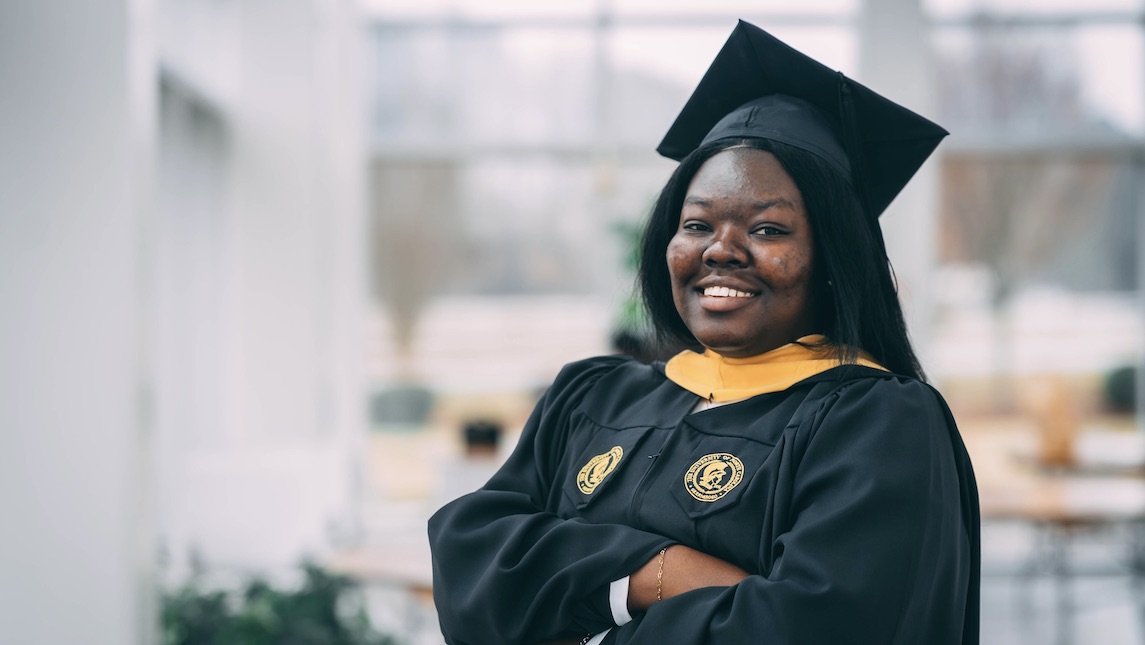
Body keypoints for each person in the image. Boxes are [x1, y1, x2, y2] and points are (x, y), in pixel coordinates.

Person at [428, 20, 980, 645]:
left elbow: (814, 630)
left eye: (768, 230)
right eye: (696, 225)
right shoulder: (592, 396)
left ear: (834, 260)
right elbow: (471, 553)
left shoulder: (875, 424)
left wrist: (571, 603)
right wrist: (655, 574)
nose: (722, 250)